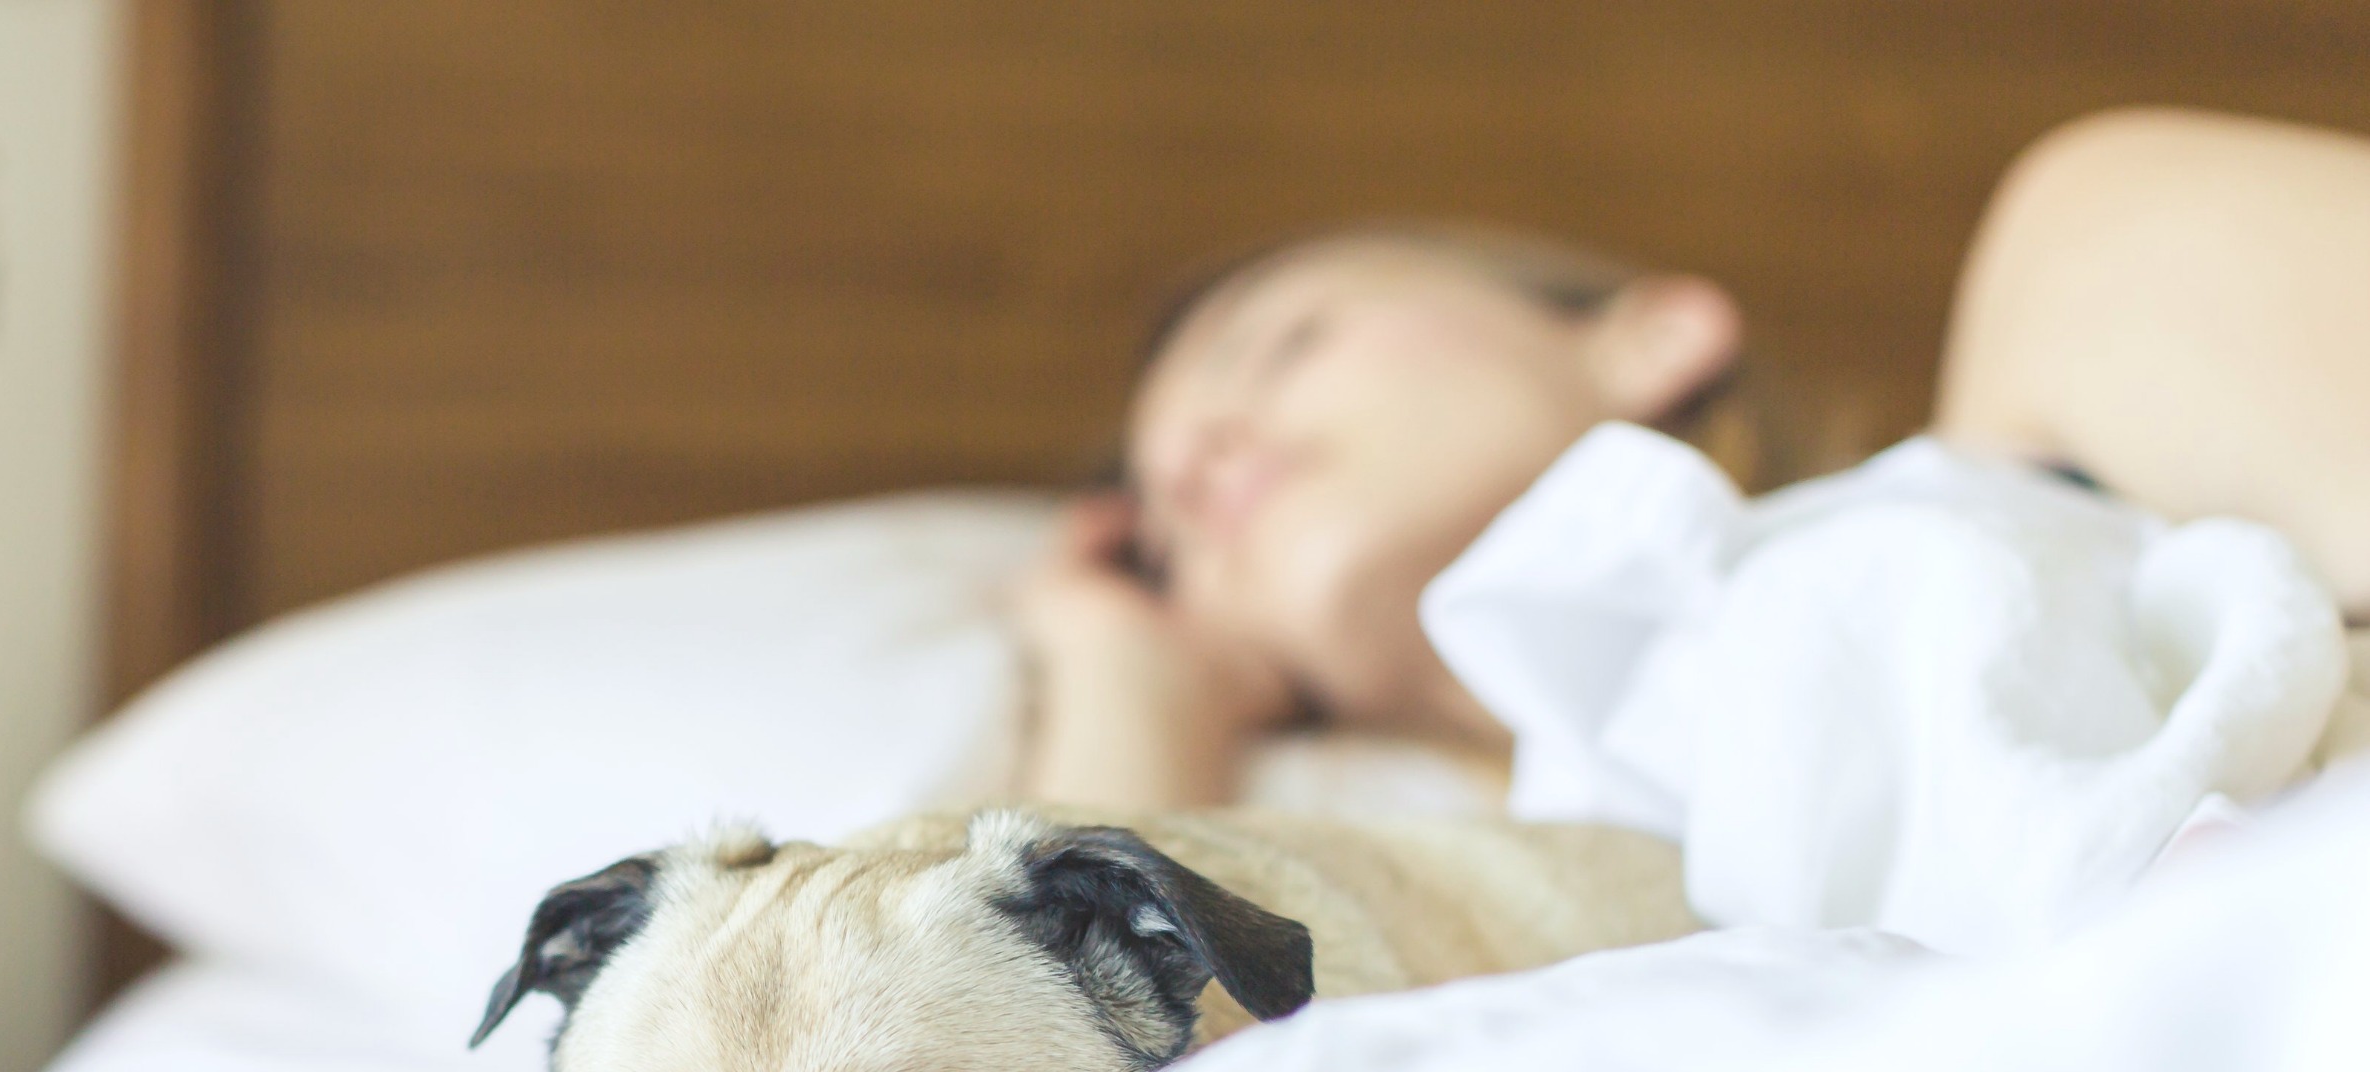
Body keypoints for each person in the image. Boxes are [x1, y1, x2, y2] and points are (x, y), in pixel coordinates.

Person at [1013, 107, 2370, 816]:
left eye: (1280, 345)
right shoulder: (1480, 951)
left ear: (1651, 335)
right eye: (1162, 531)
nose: (1193, 453)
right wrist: (1121, 674)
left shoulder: (2075, 304)